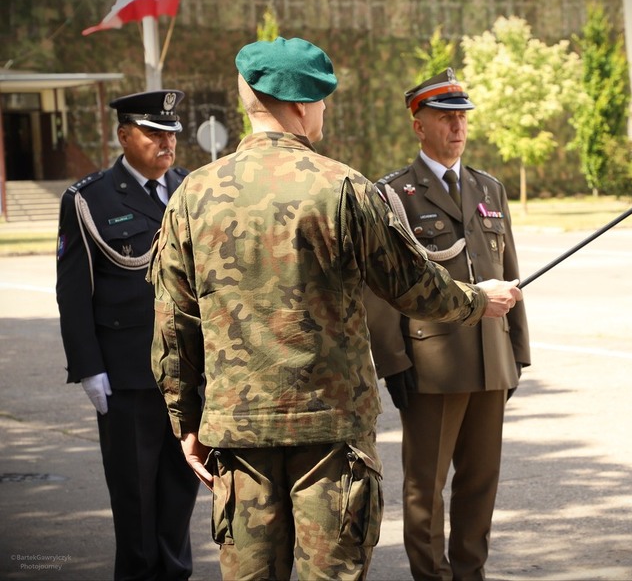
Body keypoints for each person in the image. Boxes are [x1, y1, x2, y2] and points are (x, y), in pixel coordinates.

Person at [147, 37, 523, 581]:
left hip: (239, 431)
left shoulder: (192, 194)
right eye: (321, 100)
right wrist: (478, 300)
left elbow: (172, 320)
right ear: (301, 105)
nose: (322, 111)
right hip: (331, 432)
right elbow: (413, 286)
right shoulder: (343, 186)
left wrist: (185, 419)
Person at [364, 68, 530, 581]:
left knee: (481, 484)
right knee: (426, 488)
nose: (457, 128)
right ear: (419, 125)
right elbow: (381, 288)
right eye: (444, 118)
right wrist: (394, 363)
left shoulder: (488, 187)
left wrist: (517, 354)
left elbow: (510, 273)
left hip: (490, 362)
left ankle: (470, 573)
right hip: (431, 364)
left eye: (461, 118)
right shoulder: (393, 194)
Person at [56, 90, 199, 579]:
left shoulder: (189, 190)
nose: (166, 143)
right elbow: (74, 292)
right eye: (154, 133)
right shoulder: (90, 198)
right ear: (124, 136)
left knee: (180, 493)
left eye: (171, 134)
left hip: (186, 373)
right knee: (135, 497)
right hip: (127, 374)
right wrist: (89, 367)